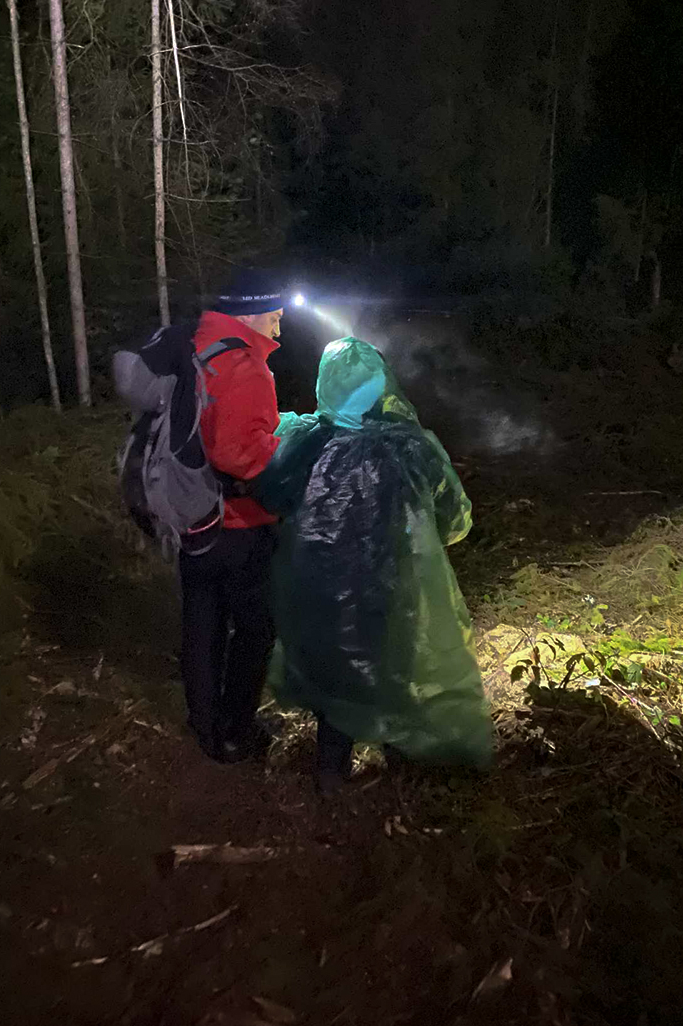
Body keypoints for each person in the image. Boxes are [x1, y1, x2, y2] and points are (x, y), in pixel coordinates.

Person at [254, 336, 493, 793]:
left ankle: (332, 775)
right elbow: (453, 516)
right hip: (395, 584)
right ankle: (397, 768)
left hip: (324, 586)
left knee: (337, 673)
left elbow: (271, 494)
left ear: (326, 385)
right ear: (382, 386)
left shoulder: (308, 442)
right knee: (395, 665)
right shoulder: (411, 447)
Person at [179, 268, 286, 764]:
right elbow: (238, 455)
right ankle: (235, 729)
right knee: (255, 627)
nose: (278, 328)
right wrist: (283, 449)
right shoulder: (244, 365)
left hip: (189, 513)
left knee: (202, 621)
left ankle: (204, 724)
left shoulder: (196, 346)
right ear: (250, 315)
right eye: (274, 317)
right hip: (237, 522)